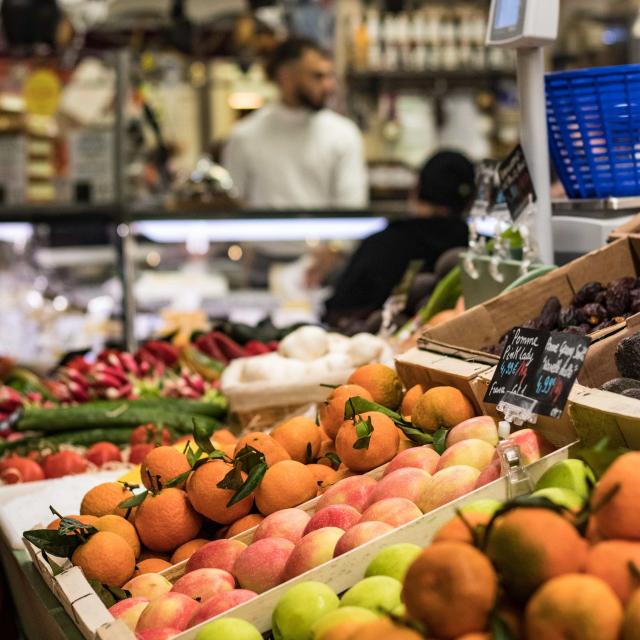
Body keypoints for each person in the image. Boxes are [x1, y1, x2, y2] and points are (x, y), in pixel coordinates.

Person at [322, 150, 475, 324]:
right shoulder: (481, 250)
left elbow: (337, 311)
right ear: (471, 201)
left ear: (416, 190)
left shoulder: (379, 244)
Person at [222, 36, 368, 209]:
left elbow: (351, 208)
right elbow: (234, 204)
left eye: (330, 76)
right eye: (318, 76)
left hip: (326, 236)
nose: (329, 86)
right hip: (264, 236)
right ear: (286, 77)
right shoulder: (245, 135)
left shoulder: (343, 134)